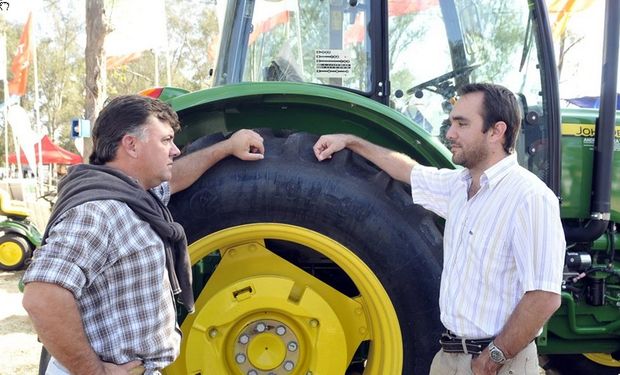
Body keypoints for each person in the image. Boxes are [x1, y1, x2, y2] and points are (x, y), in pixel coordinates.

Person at [312, 83, 565, 375]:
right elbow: (406, 170)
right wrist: (351, 141)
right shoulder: (458, 186)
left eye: (462, 124)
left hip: (498, 363)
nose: (450, 134)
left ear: (496, 131)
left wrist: (493, 358)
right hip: (449, 357)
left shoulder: (529, 197)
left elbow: (544, 296)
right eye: (451, 123)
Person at [21, 94, 265, 375]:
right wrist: (94, 371)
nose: (175, 150)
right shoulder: (99, 212)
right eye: (165, 140)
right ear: (132, 145)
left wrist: (226, 147)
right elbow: (41, 298)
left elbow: (177, 177)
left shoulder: (136, 197)